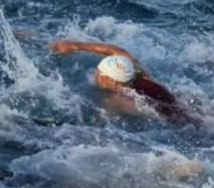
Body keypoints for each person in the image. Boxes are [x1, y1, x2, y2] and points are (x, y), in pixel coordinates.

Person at [49, 40, 203, 126]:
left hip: (180, 124)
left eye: (98, 72)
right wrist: (76, 46)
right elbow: (118, 51)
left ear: (110, 80)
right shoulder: (139, 75)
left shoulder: (117, 100)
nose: (95, 74)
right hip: (179, 104)